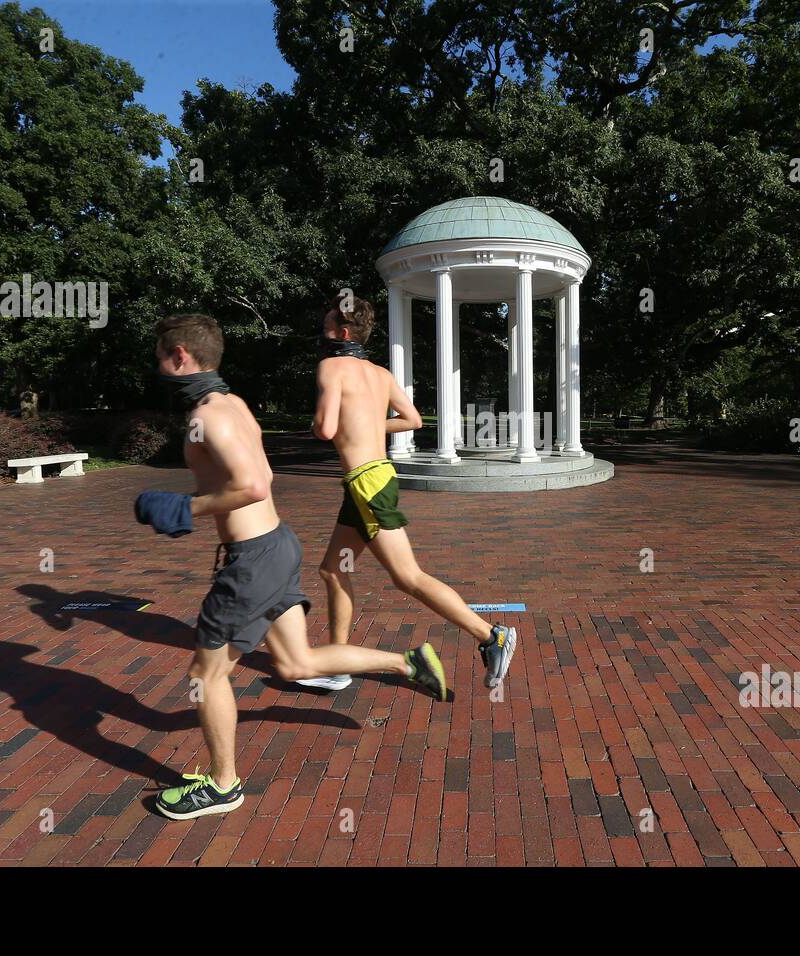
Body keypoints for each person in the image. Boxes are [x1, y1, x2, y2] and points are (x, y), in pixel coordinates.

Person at [134, 313, 443, 820]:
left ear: (180, 357)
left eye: (160, 355)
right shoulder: (233, 405)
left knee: (205, 675)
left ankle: (222, 785)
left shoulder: (211, 413)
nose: (157, 364)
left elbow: (255, 483)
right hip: (276, 546)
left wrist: (182, 509)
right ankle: (408, 663)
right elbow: (264, 471)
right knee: (296, 664)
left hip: (253, 562)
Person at [305, 293, 517, 694]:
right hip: (373, 478)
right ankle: (338, 661)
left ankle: (492, 636)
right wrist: (366, 426)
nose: (323, 328)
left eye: (328, 322)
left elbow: (326, 429)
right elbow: (413, 420)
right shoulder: (380, 374)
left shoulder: (331, 366)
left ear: (343, 332)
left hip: (366, 483)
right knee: (333, 570)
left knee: (407, 576)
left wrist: (328, 425)